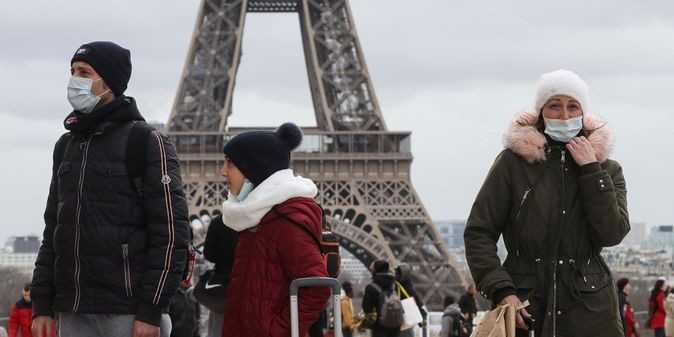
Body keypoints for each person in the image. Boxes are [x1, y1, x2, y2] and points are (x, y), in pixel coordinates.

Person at [30, 41, 190, 337]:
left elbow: (171, 234)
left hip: (128, 313)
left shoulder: (146, 141)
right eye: (73, 71)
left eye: (85, 72)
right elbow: (53, 230)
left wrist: (151, 310)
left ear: (110, 82)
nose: (74, 80)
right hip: (73, 310)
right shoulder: (66, 146)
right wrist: (42, 305)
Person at [464, 70, 630, 337]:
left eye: (572, 106)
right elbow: (479, 231)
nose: (564, 115)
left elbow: (612, 233)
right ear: (541, 112)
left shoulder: (607, 170)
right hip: (525, 306)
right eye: (555, 106)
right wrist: (503, 291)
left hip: (590, 310)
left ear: (583, 113)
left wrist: (591, 171)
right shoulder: (512, 164)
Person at [219, 123, 330, 337]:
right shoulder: (256, 219)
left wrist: (276, 331)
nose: (223, 171)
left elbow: (317, 286)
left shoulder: (284, 221)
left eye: (230, 164)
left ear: (254, 168)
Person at [198, 215, 239, 337]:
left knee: (218, 326)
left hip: (222, 285)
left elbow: (209, 254)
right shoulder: (254, 219)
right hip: (249, 283)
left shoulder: (219, 221)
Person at [362, 260, 401, 337]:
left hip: (379, 327)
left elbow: (366, 308)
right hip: (396, 325)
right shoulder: (395, 285)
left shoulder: (371, 287)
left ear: (375, 270)